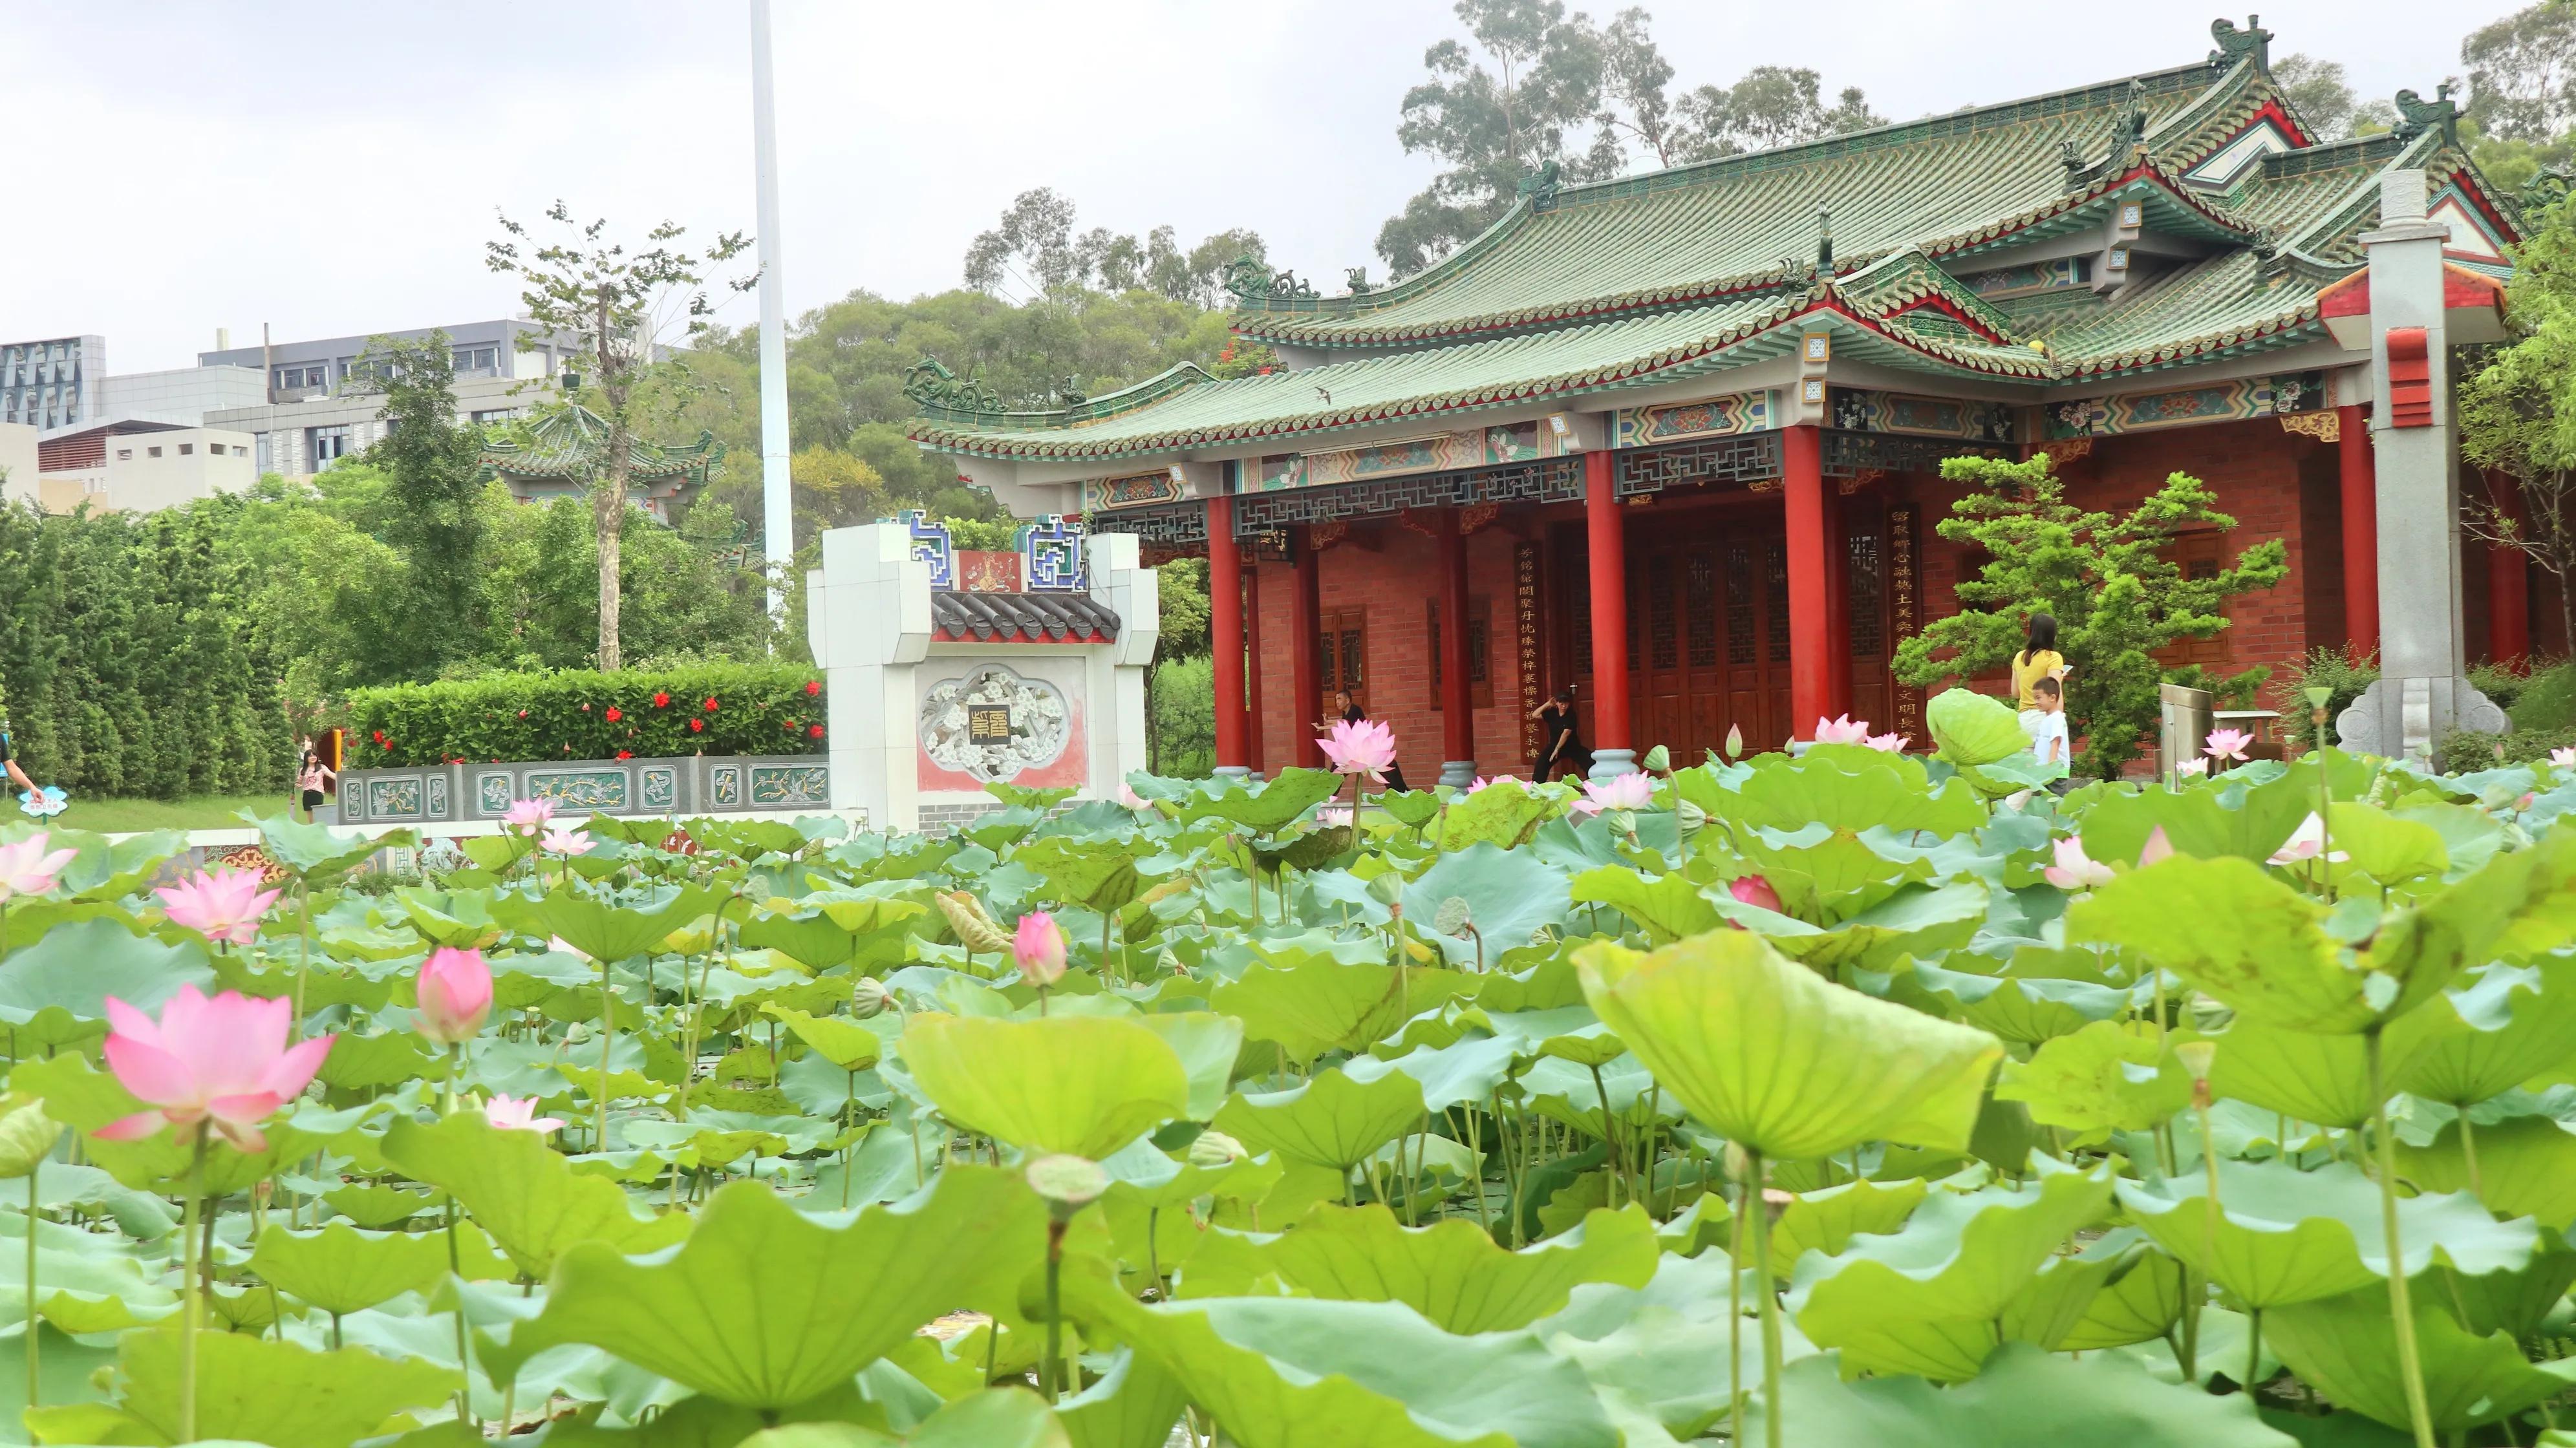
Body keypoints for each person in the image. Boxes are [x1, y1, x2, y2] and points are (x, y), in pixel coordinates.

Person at [1320, 687, 1407, 793]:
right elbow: (1342, 722)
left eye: (1339, 699)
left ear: (1347, 701)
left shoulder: (1355, 710)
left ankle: (1401, 792)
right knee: (1335, 774)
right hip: (1353, 751)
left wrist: (1322, 727)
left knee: (1391, 772)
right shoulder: (1346, 712)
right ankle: (1328, 795)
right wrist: (1327, 722)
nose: (1337, 702)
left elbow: (1343, 723)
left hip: (1366, 750)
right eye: (1336, 699)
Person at [1529, 686, 1593, 783]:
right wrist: (1547, 704)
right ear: (1557, 703)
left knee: (1590, 762)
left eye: (1566, 703)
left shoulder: (1571, 715)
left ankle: (1595, 786)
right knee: (1541, 763)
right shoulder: (1552, 713)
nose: (1564, 706)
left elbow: (1566, 733)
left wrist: (1557, 750)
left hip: (1572, 746)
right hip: (1554, 745)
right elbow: (1535, 715)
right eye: (1561, 703)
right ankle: (1536, 788)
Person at [2023, 676, 2070, 779]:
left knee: (2054, 796)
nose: (2036, 702)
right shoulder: (2046, 719)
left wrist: (2051, 769)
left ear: (2052, 698)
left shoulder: (2057, 718)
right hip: (2044, 772)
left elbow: (2056, 743)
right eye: (2035, 698)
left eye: (2039, 698)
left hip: (2055, 774)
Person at [295, 741, 336, 822]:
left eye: (314, 756)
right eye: (310, 756)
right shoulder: (303, 770)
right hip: (307, 794)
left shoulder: (322, 767)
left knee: (318, 816)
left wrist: (344, 778)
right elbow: (298, 782)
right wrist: (297, 785)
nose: (313, 757)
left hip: (318, 794)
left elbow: (333, 775)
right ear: (306, 759)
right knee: (310, 819)